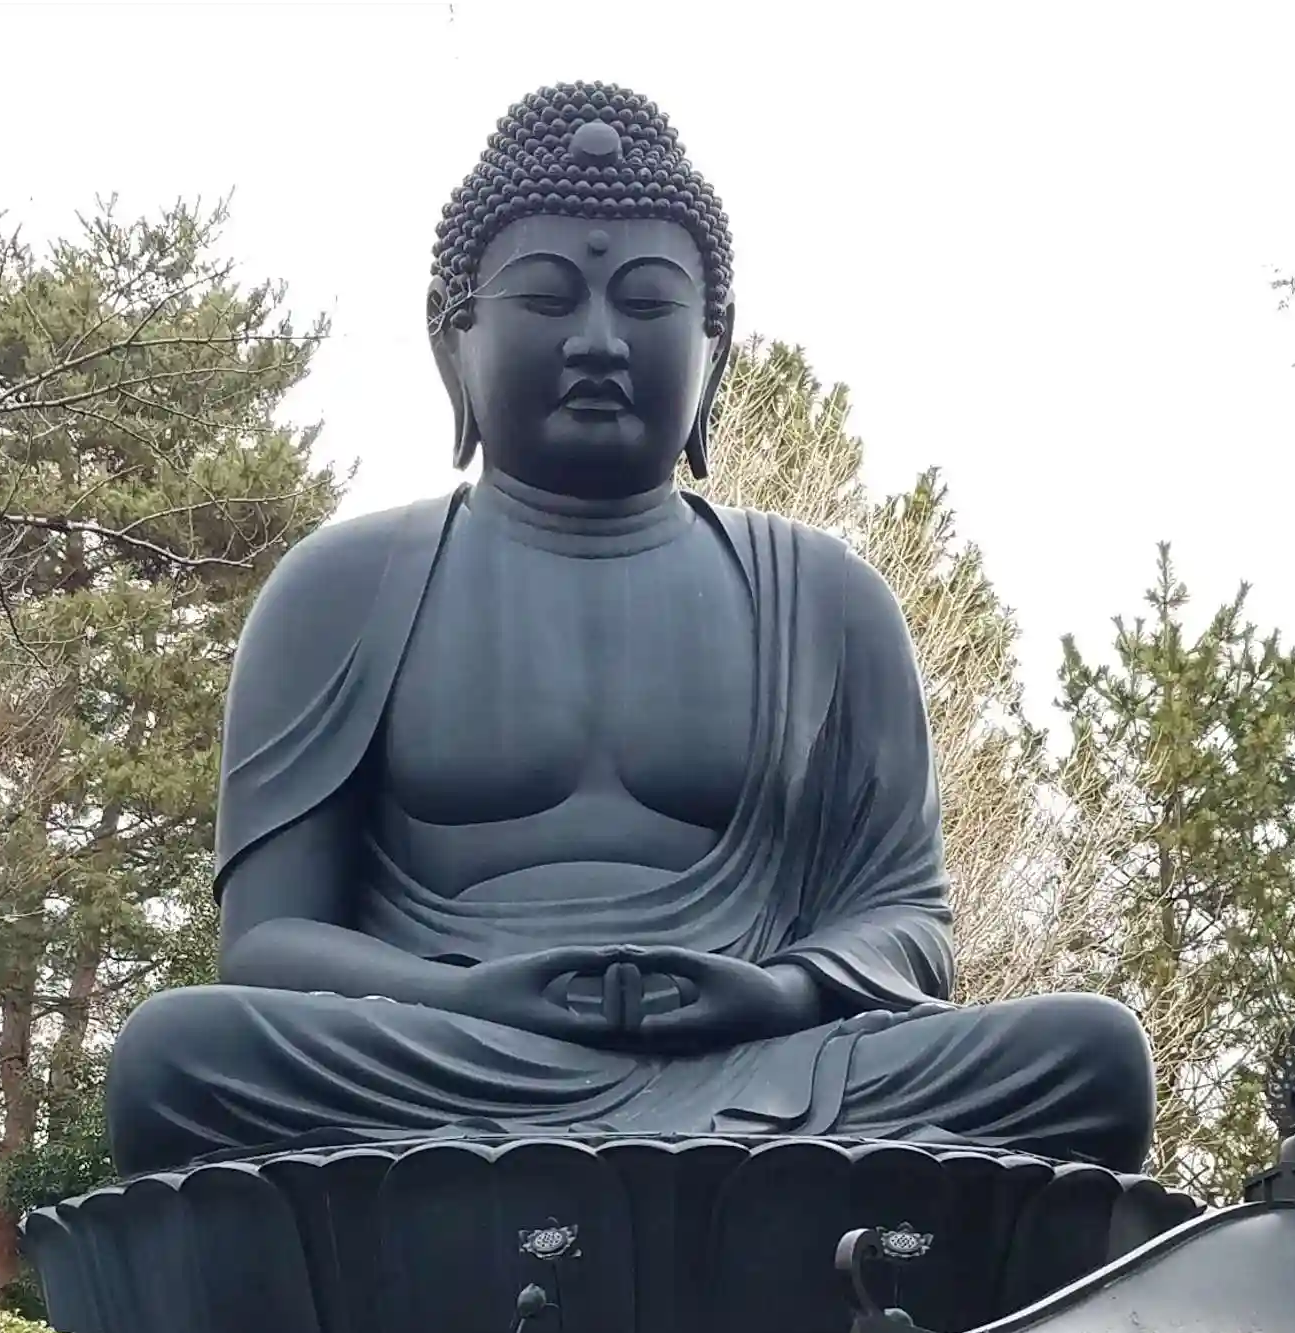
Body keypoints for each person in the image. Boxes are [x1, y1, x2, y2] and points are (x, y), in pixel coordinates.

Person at [105, 79, 1156, 1179]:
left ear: (717, 346)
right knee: (178, 1058)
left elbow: (906, 922)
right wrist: (470, 996)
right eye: (546, 298)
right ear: (452, 338)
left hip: (768, 1067)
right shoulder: (342, 586)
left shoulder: (828, 595)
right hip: (449, 1055)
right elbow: (267, 944)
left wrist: (779, 991)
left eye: (648, 304)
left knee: (1088, 1058)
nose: (599, 342)